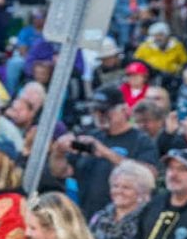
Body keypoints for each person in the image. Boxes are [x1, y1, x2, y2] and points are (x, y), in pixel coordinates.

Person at [51, 85, 159, 220]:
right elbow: (61, 172)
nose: (100, 116)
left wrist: (106, 153)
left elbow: (150, 175)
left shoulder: (141, 140)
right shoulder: (90, 135)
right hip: (88, 217)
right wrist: (58, 152)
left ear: (124, 110)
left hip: (125, 220)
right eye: (95, 111)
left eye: (105, 111)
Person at [88, 160, 156, 239]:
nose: (119, 191)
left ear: (141, 192)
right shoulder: (99, 216)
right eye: (115, 186)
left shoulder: (147, 219)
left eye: (126, 187)